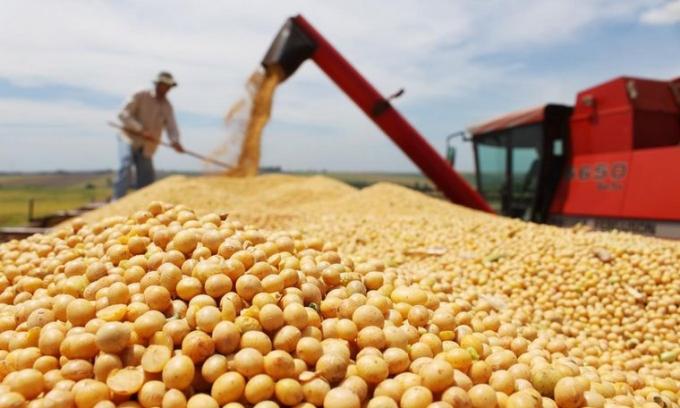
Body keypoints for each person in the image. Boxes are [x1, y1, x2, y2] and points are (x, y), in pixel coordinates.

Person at [113, 71, 184, 199]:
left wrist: (175, 141)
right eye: (163, 85)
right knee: (126, 165)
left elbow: (172, 127)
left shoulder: (167, 106)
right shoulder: (141, 95)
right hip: (128, 137)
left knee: (146, 177)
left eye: (168, 87)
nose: (165, 89)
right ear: (157, 84)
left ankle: (143, 204)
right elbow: (123, 114)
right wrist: (140, 130)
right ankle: (117, 200)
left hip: (148, 144)